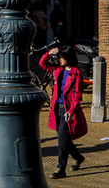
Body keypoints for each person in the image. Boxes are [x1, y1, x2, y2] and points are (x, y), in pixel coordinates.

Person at [39, 45, 87, 179]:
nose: (60, 60)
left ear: (68, 58)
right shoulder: (57, 70)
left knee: (62, 138)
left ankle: (61, 168)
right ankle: (78, 157)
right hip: (56, 108)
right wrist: (49, 53)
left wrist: (71, 111)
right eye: (59, 57)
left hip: (67, 110)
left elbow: (78, 95)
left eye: (62, 57)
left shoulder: (76, 73)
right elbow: (41, 63)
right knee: (63, 138)